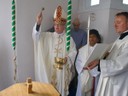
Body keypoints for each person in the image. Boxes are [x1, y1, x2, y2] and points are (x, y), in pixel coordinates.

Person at [32, 5, 77, 96]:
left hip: (62, 71)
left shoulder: (69, 39)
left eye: (59, 24)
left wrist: (67, 59)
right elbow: (36, 37)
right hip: (50, 70)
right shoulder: (48, 36)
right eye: (55, 24)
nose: (56, 27)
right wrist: (38, 23)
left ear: (64, 25)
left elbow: (73, 52)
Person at [86, 12, 128, 96]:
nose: (115, 25)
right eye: (115, 22)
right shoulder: (120, 39)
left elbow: (121, 65)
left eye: (119, 22)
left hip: (118, 84)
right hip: (110, 80)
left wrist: (100, 62)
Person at [75, 29, 102, 96]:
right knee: (82, 92)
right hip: (83, 75)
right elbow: (78, 62)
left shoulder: (101, 49)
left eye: (93, 36)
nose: (91, 38)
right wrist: (83, 71)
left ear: (98, 39)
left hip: (95, 76)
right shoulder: (82, 49)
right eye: (89, 36)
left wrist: (94, 72)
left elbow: (102, 62)